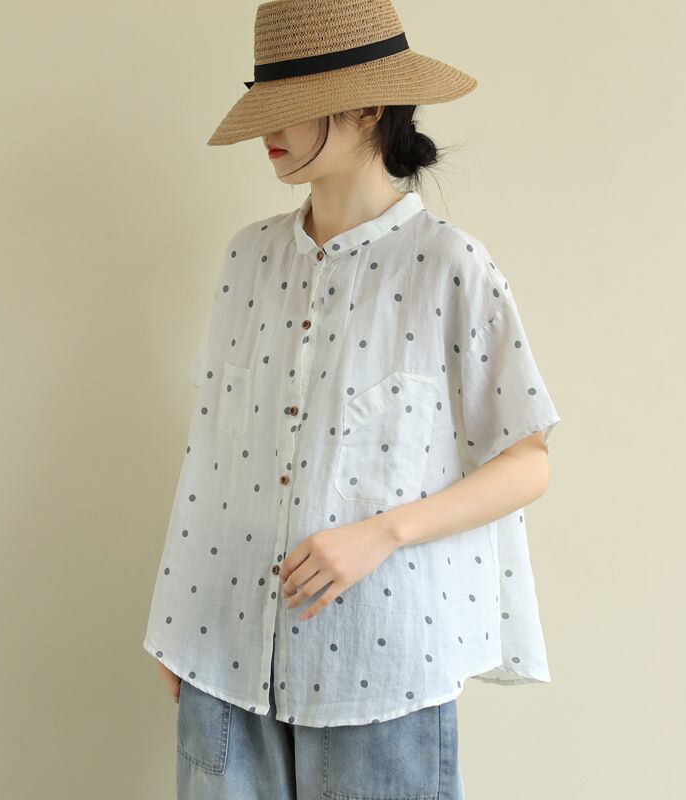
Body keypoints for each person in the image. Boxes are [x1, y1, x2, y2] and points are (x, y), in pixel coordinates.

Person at [142, 1, 562, 798]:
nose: (269, 129)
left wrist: (380, 534)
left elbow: (526, 462)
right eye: (263, 101)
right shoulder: (248, 259)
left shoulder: (448, 266)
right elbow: (213, 455)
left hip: (382, 668)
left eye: (292, 104)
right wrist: (174, 619)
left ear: (369, 108)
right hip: (223, 651)